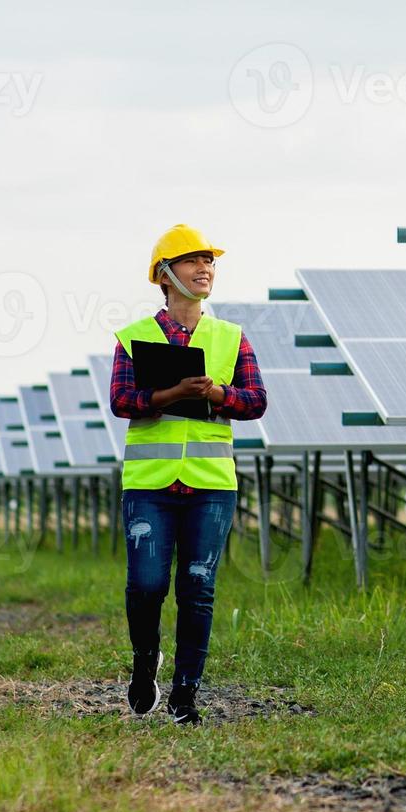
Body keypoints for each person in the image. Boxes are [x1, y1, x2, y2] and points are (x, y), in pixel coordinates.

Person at [109, 224, 267, 723]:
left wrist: (218, 395)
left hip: (210, 485)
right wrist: (170, 396)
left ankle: (185, 694)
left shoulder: (231, 337)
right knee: (147, 585)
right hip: (149, 486)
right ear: (164, 275)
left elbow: (256, 401)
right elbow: (120, 400)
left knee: (198, 588)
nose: (205, 270)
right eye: (193, 261)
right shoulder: (134, 338)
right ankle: (144, 664)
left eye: (209, 262)